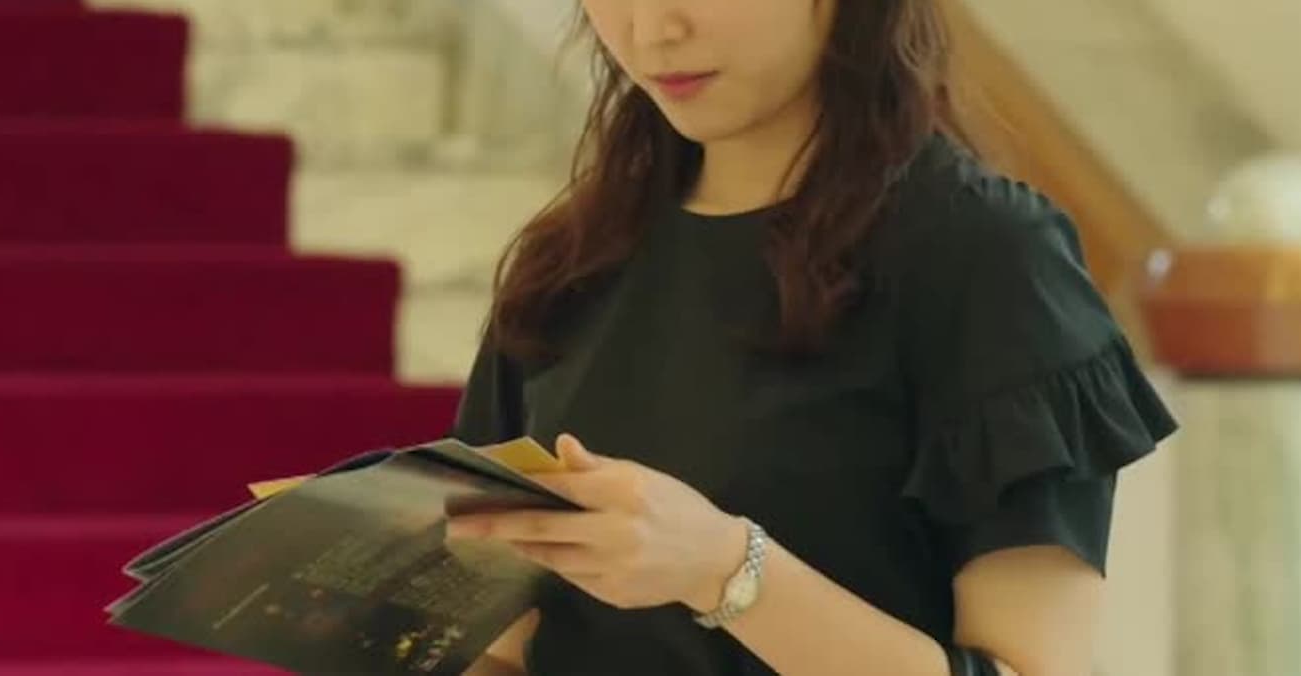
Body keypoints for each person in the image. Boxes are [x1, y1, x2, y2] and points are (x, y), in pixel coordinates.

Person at [442, 1, 1177, 674]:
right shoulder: (565, 267)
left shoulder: (986, 258)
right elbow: (497, 647)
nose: (652, 30)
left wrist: (725, 567)